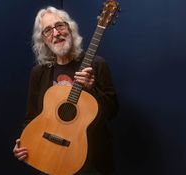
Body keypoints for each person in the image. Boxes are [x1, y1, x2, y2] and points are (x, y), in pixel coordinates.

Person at [13, 6, 118, 175]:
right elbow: (32, 117)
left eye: (60, 26)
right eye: (48, 30)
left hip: (90, 162)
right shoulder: (39, 73)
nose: (56, 33)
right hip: (48, 156)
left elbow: (113, 111)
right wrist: (24, 143)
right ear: (43, 40)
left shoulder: (96, 64)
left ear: (70, 28)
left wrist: (92, 89)